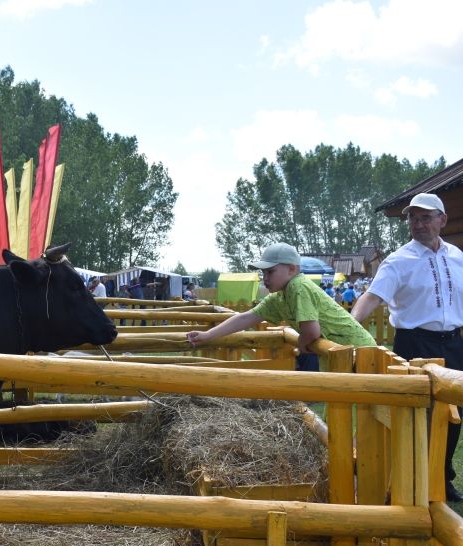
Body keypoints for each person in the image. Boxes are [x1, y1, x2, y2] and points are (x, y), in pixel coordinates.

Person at [350, 192, 463, 501]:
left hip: (453, 343)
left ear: (443, 220)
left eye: (425, 217)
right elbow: (372, 297)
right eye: (413, 218)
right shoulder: (398, 261)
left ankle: (441, 476)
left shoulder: (457, 256)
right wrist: (350, 329)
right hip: (414, 343)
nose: (418, 223)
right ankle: (402, 479)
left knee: (455, 412)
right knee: (412, 414)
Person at [186, 242, 375, 371]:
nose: (265, 278)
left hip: (360, 352)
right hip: (341, 353)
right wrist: (207, 335)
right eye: (263, 273)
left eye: (270, 272)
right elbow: (245, 318)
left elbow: (311, 332)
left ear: (292, 269)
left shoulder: (298, 286)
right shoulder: (279, 297)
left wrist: (301, 344)